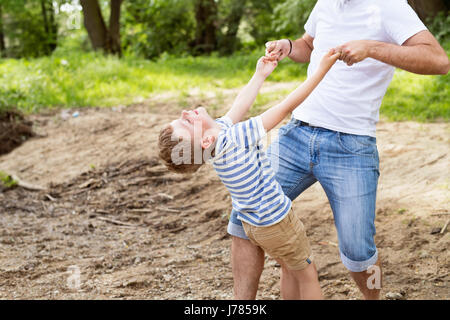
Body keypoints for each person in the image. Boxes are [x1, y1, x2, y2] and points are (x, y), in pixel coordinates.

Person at [229, 0, 450, 300]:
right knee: (244, 219)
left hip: (351, 146)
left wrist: (371, 48)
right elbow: (309, 44)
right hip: (297, 133)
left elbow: (438, 61)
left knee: (359, 252)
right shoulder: (326, 3)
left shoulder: (389, 6)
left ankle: (375, 298)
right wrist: (288, 46)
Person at [158, 50, 340, 299]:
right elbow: (285, 106)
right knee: (307, 273)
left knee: (290, 267)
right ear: (206, 139)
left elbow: (238, 107)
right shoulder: (234, 138)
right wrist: (321, 70)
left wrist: (260, 75)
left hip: (254, 225)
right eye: (188, 124)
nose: (185, 114)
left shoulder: (216, 142)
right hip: (276, 222)